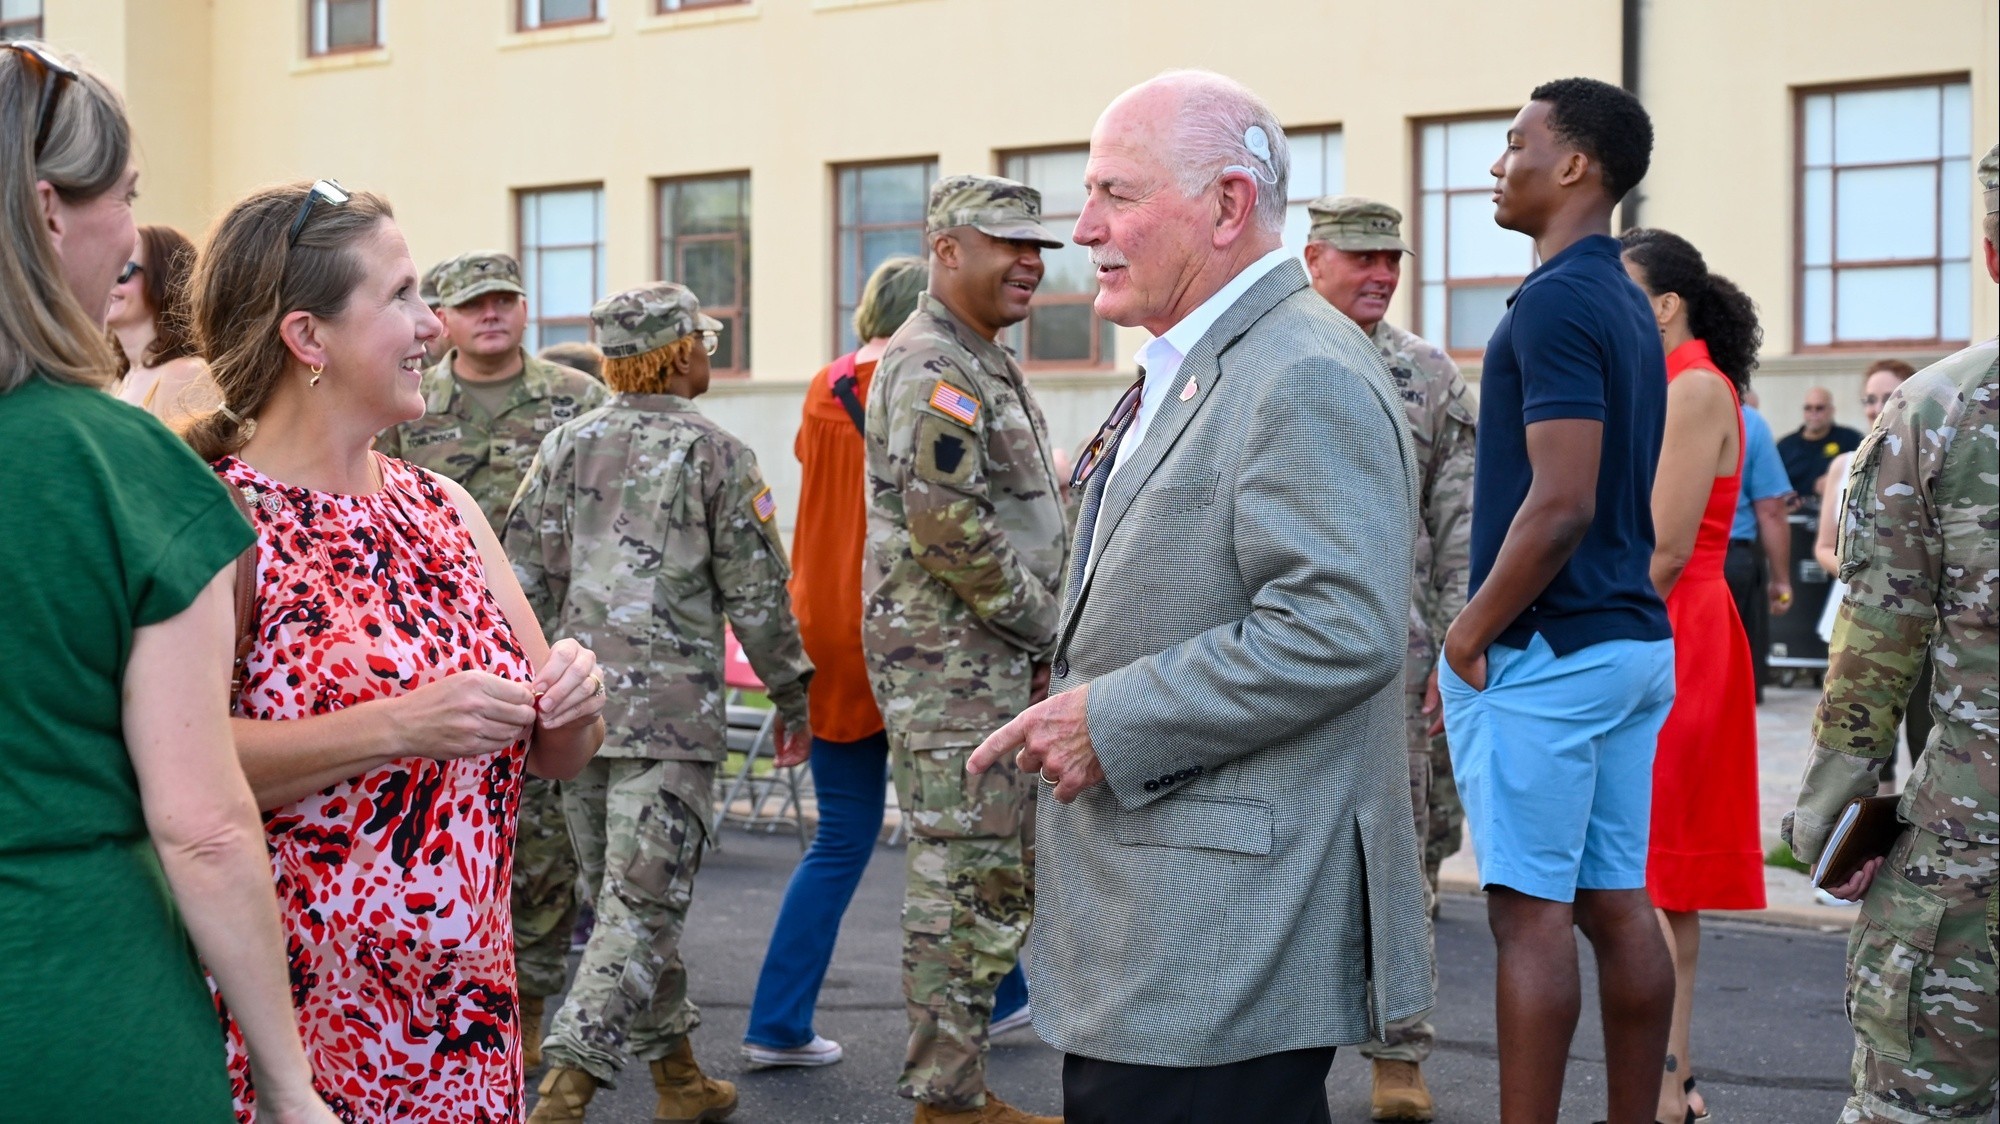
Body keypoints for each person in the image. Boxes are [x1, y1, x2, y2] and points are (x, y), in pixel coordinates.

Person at [970, 70, 1429, 1124]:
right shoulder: (1202, 357)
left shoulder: (1298, 368)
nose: (1083, 227)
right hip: (1171, 930)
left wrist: (1108, 717)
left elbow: (1334, 629)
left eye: (1117, 195)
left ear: (1227, 205)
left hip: (1221, 942)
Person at [183, 180, 608, 1121]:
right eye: (405, 297)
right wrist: (398, 726)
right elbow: (182, 771)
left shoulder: (441, 508)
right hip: (304, 1041)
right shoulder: (221, 518)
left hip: (466, 1027)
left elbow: (558, 751)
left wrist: (575, 698)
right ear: (308, 338)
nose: (435, 325)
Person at [0, 41, 340, 1124]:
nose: (135, 238)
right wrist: (289, 1086)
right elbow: (203, 822)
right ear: (49, 211)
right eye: (129, 199)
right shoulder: (118, 463)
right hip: (69, 998)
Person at [507, 282, 813, 1124]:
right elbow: (758, 598)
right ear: (679, 352)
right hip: (671, 724)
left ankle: (679, 1079)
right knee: (638, 913)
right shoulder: (719, 455)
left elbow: (520, 583)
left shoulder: (564, 446)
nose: (712, 355)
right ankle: (563, 1095)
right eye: (706, 341)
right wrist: (793, 694)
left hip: (577, 715)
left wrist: (533, 700)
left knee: (626, 910)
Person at [1434, 78, 1676, 1124]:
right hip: (1626, 644)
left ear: (1573, 164)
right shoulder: (1620, 294)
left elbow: (1559, 503)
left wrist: (1466, 630)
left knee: (1529, 919)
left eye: (1514, 142)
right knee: (1615, 902)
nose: (1498, 163)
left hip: (1550, 653)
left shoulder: (1561, 299)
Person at [741, 254, 1033, 1071]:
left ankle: (777, 1018)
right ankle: (997, 996)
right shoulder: (944, 381)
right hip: (922, 634)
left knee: (839, 838)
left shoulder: (822, 386)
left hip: (828, 628)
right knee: (960, 833)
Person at [1784, 143, 1997, 1124]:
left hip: (1969, 852)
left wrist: (1832, 812)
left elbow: (1878, 640)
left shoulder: (1938, 412)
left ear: (1987, 256)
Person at [862, 174, 1069, 1124]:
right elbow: (947, 528)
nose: (1030, 263)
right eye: (1009, 245)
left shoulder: (979, 357)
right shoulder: (933, 366)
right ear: (947, 250)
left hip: (986, 665)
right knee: (960, 885)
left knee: (990, 881)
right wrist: (1046, 630)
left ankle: (957, 1087)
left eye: (1039, 248)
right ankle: (944, 1100)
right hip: (955, 671)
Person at [378, 249, 610, 1068]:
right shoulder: (410, 403)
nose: (491, 315)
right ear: (443, 313)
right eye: (473, 303)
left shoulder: (577, 399)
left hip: (539, 646)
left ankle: (531, 1005)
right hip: (436, 659)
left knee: (543, 847)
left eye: (505, 299)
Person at [1303, 193, 1475, 1123]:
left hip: (1394, 660)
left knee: (1402, 857)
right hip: (1272, 657)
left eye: (1392, 262)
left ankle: (1398, 1054)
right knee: (1277, 853)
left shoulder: (1427, 376)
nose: (1379, 276)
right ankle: (1273, 1054)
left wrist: (1457, 645)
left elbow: (1461, 522)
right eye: (1361, 259)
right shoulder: (1262, 353)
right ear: (1313, 257)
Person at [1619, 226, 1766, 1124]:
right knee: (1653, 875)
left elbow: (1665, 552)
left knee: (1660, 877)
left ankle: (1670, 1082)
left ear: (1666, 306)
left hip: (1676, 632)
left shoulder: (1693, 387)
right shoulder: (1685, 382)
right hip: (1676, 628)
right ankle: (1672, 1077)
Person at [1813, 359, 1927, 787]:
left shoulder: (1930, 456)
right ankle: (1864, 842)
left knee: (1924, 735)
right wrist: (1856, 571)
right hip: (1855, 613)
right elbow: (1824, 547)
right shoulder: (1843, 464)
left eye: (1889, 396)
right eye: (1871, 398)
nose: (1878, 406)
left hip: (1917, 619)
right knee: (1860, 748)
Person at [109, 222, 221, 425]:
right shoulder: (125, 379)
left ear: (163, 280)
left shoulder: (186, 375)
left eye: (122, 270)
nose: (107, 280)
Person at [1724, 397, 1792, 704]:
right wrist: (1781, 581)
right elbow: (1771, 511)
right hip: (1730, 558)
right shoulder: (1748, 421)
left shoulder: (1652, 398)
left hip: (1655, 553)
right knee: (1734, 680)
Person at [1776, 386, 1862, 500]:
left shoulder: (1851, 439)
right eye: (1808, 408)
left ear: (1831, 410)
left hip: (1837, 510)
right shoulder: (1785, 446)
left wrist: (1836, 481)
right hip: (1795, 515)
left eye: (1819, 408)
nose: (1813, 413)